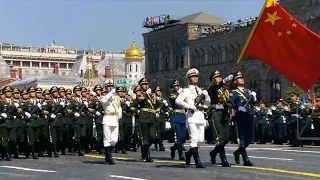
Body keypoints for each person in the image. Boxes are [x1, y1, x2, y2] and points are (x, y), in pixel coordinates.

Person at [175, 68, 211, 168]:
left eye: (196, 76)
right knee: (194, 139)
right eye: (193, 77)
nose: (195, 78)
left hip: (200, 116)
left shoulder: (200, 90)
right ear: (189, 78)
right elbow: (178, 101)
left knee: (200, 140)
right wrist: (189, 106)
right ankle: (197, 161)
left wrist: (207, 96)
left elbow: (207, 104)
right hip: (191, 117)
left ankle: (188, 154)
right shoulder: (186, 90)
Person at [230, 71, 257, 166]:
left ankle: (237, 152)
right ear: (235, 81)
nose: (242, 79)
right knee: (242, 139)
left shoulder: (248, 92)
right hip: (240, 117)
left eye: (242, 78)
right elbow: (230, 103)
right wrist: (238, 107)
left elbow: (253, 103)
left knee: (249, 139)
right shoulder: (233, 93)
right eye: (239, 78)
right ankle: (246, 160)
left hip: (249, 116)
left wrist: (254, 97)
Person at [207, 70, 233, 167]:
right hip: (216, 113)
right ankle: (224, 160)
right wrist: (225, 81)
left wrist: (234, 105)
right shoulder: (212, 88)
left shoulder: (224, 90)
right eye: (217, 77)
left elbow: (228, 101)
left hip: (224, 114)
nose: (219, 78)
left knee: (226, 138)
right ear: (213, 80)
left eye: (220, 77)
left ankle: (213, 152)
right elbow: (214, 88)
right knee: (220, 138)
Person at [136, 78, 158, 162]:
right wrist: (145, 95)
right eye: (143, 84)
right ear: (141, 86)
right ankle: (147, 155)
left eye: (146, 84)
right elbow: (139, 101)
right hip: (143, 117)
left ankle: (144, 148)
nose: (145, 86)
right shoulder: (139, 94)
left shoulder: (152, 95)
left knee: (153, 137)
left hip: (151, 117)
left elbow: (156, 104)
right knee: (145, 137)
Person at [100, 85, 122, 165]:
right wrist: (110, 93)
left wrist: (120, 113)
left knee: (114, 140)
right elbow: (103, 101)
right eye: (108, 87)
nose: (110, 88)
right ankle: (109, 157)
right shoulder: (103, 97)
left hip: (115, 119)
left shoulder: (116, 97)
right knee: (107, 139)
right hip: (107, 119)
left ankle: (107, 152)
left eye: (111, 87)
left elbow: (119, 106)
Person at [168, 80, 187, 160]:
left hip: (183, 116)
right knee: (178, 137)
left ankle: (173, 148)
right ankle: (180, 155)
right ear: (173, 88)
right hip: (176, 117)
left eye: (178, 86)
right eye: (176, 86)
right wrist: (178, 92)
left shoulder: (182, 95)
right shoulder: (172, 95)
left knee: (183, 137)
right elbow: (173, 99)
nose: (178, 87)